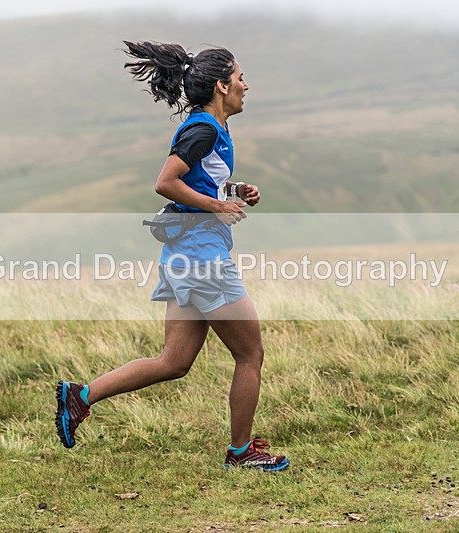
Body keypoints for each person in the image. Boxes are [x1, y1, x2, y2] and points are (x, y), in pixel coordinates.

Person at [55, 41, 288, 472]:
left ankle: (80, 396)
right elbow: (166, 182)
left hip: (185, 254)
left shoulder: (210, 128)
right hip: (202, 258)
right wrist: (219, 207)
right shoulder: (203, 129)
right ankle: (241, 453)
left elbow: (195, 182)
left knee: (174, 361)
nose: (245, 85)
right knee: (250, 354)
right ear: (221, 86)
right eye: (239, 78)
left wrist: (233, 191)